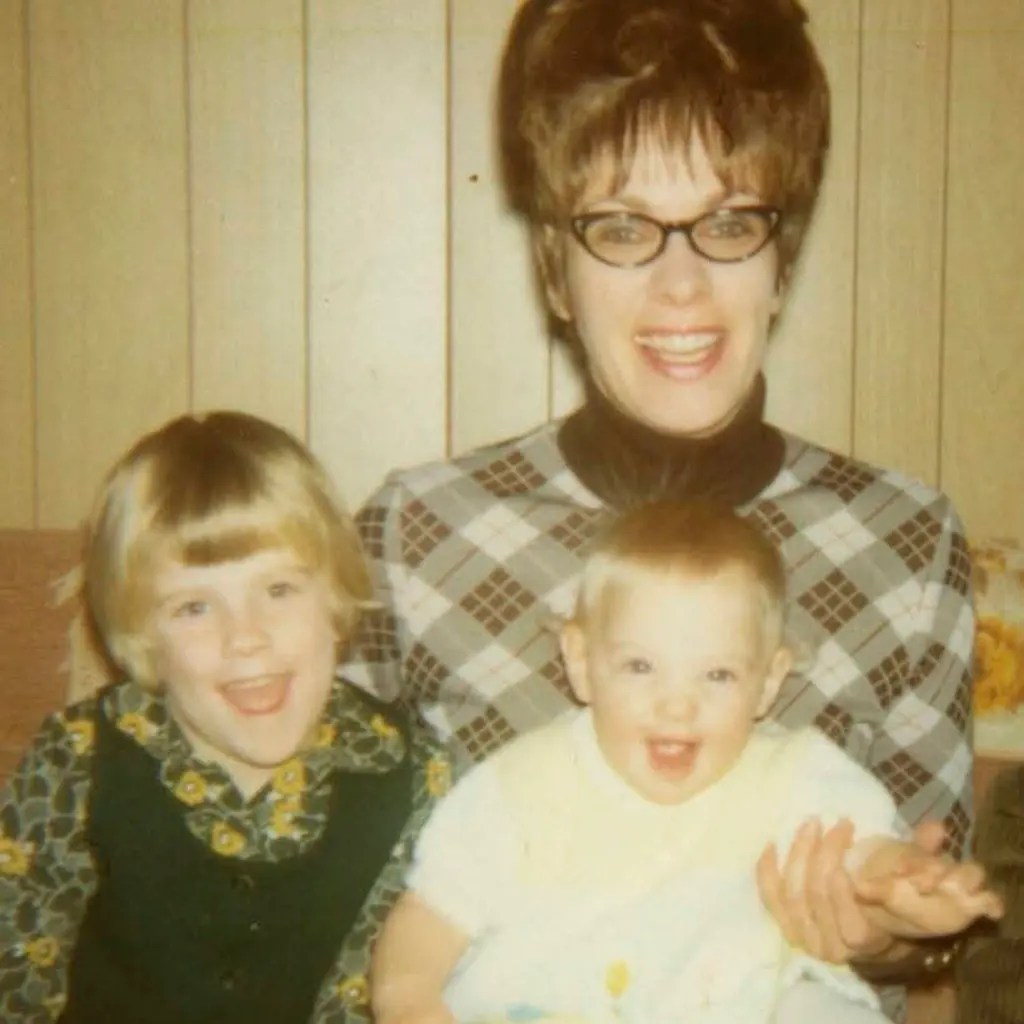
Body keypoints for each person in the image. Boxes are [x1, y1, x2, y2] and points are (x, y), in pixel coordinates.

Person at [344, 0, 974, 1005]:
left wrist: (895, 935)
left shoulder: (905, 543)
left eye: (729, 222)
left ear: (781, 261)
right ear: (557, 267)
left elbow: (931, 946)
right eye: (622, 227)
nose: (680, 285)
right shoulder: (417, 535)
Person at [370, 502, 1000, 1024]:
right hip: (552, 1005)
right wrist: (407, 997)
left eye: (718, 674)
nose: (678, 705)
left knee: (825, 1010)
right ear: (582, 660)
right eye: (641, 666)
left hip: (739, 1007)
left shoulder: (793, 774)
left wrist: (906, 881)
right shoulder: (522, 782)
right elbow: (431, 911)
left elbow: (860, 853)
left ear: (769, 680)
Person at [0, 411, 451, 1024]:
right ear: (141, 633)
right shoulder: (75, 757)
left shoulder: (416, 774)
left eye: (279, 591)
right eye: (193, 607)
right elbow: (16, 971)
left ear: (336, 597)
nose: (246, 638)